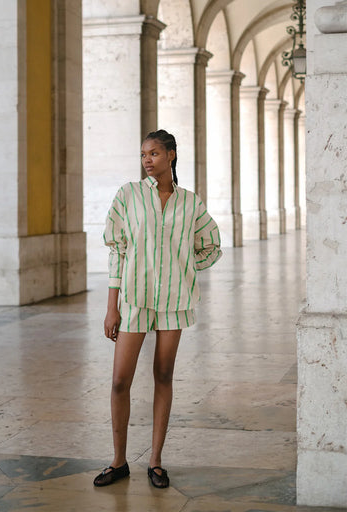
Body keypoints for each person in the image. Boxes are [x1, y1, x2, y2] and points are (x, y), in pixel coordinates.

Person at [93, 129, 222, 489]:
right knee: (120, 380)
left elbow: (212, 245)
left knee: (163, 376)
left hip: (174, 302)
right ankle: (119, 461)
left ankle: (155, 461)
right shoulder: (129, 195)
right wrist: (112, 307)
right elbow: (117, 250)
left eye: (153, 153)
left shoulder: (190, 202)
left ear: (171, 155)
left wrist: (184, 268)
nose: (147, 160)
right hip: (133, 300)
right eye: (143, 155)